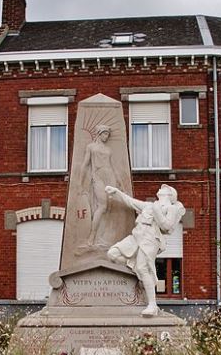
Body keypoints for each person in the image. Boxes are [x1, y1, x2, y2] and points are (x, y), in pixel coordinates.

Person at [105, 184, 185, 316]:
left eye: (163, 189)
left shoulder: (171, 208)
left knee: (143, 268)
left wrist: (156, 211)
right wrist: (117, 192)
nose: (159, 189)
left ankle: (152, 305)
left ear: (169, 195)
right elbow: (130, 202)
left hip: (151, 239)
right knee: (112, 254)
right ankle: (137, 275)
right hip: (137, 235)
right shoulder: (149, 205)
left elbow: (166, 227)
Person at [79, 125, 122, 246]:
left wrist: (120, 182)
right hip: (98, 177)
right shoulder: (91, 147)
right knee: (102, 206)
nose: (106, 137)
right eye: (105, 134)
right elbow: (84, 165)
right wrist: (80, 183)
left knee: (109, 208)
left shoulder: (109, 150)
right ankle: (91, 237)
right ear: (99, 133)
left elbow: (113, 167)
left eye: (108, 134)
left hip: (110, 177)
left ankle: (104, 237)